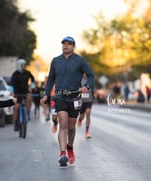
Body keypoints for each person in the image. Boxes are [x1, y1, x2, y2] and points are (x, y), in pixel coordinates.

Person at [40, 36, 94, 168]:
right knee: (62, 125)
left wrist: (86, 87)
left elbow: (91, 75)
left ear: (73, 47)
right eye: (64, 44)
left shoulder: (79, 60)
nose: (66, 46)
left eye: (69, 44)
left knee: (71, 127)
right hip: (60, 96)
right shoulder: (55, 61)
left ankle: (70, 147)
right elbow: (51, 79)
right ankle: (62, 154)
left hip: (75, 97)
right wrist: (46, 94)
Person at [11, 59, 35, 131]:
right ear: (18, 66)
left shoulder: (27, 72)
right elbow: (11, 84)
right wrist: (12, 92)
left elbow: (33, 79)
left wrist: (31, 87)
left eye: (24, 65)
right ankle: (15, 122)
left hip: (25, 91)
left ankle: (27, 114)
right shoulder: (15, 74)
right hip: (17, 93)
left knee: (29, 98)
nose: (23, 67)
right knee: (16, 107)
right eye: (22, 65)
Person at [76, 74, 93, 139]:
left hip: (89, 100)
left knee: (88, 113)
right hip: (81, 100)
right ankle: (80, 120)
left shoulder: (90, 79)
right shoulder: (78, 80)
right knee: (82, 116)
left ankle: (87, 132)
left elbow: (92, 89)